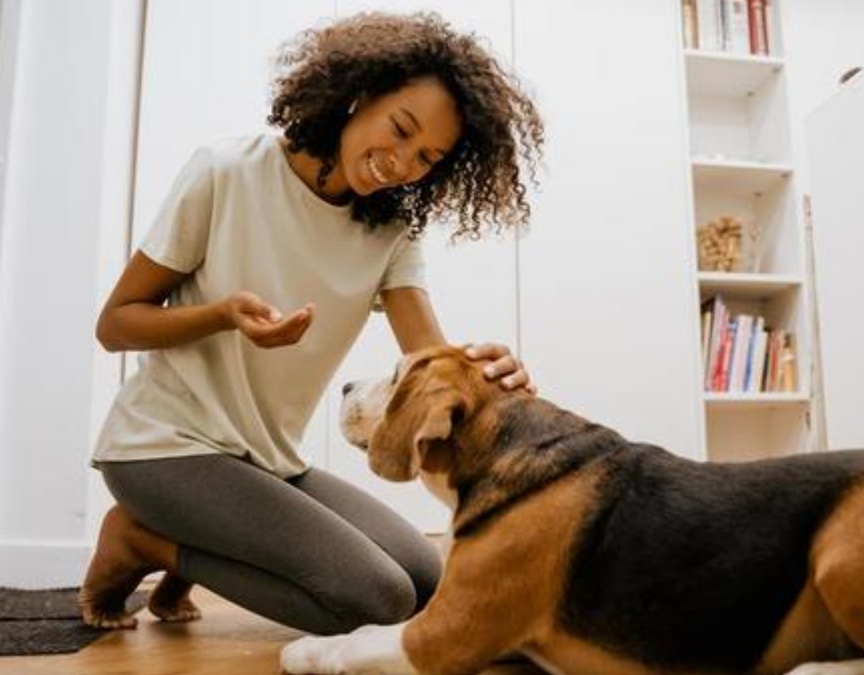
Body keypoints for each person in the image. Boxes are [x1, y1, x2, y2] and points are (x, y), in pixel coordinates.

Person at [77, 11, 544, 634]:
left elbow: (428, 359)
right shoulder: (227, 172)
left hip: (266, 461)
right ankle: (143, 541)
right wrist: (221, 316)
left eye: (427, 157)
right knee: (372, 599)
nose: (402, 162)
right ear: (358, 94)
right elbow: (114, 325)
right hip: (163, 450)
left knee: (430, 586)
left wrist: (490, 376)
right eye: (400, 130)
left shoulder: (389, 231)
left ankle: (191, 552)